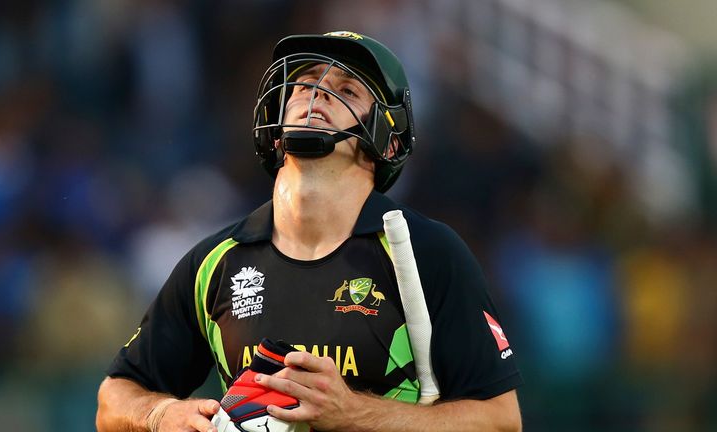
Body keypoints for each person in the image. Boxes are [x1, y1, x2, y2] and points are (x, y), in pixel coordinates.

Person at [96, 30, 523, 432]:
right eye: (303, 85)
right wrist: (161, 413)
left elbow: (501, 420)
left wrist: (355, 413)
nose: (316, 94)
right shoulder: (216, 262)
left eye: (347, 89)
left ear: (389, 142)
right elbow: (114, 397)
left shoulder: (428, 252)